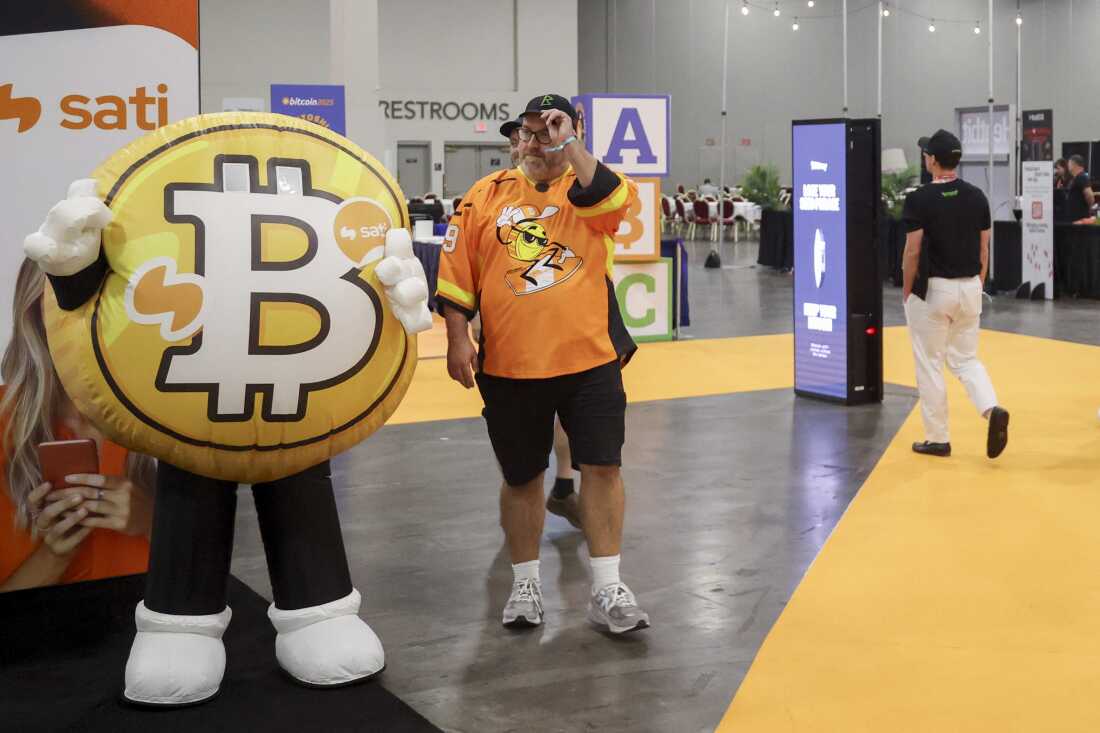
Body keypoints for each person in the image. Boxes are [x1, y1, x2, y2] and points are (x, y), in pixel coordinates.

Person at [437, 93, 649, 634]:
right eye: (525, 133)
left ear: (570, 134)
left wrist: (569, 143)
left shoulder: (588, 186)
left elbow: (613, 203)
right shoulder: (484, 195)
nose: (532, 143)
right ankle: (525, 583)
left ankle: (607, 586)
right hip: (511, 366)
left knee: (603, 467)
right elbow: (457, 273)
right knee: (522, 476)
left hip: (590, 362)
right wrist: (457, 337)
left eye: (545, 132)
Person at [0, 259, 156, 592]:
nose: (88, 323)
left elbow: (209, 575)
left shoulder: (168, 418)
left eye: (104, 303)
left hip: (149, 622)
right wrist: (54, 555)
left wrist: (153, 521)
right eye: (66, 305)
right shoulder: (4, 421)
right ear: (34, 315)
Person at [901, 129, 1009, 460]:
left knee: (929, 363)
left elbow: (912, 251)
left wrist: (907, 289)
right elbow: (984, 247)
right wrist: (978, 282)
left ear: (933, 161)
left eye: (926, 154)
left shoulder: (919, 199)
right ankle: (991, 408)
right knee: (965, 359)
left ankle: (938, 438)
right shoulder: (977, 196)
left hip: (935, 290)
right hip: (970, 287)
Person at [499, 116, 580, 528]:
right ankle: (529, 495)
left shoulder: (571, 185)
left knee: (569, 410)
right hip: (518, 328)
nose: (522, 144)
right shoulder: (495, 193)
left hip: (574, 319)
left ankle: (564, 485)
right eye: (518, 138)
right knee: (523, 426)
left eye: (529, 136)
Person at [1065, 154, 1095, 224]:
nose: (1068, 166)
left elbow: (1090, 195)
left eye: (1069, 163)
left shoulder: (1082, 177)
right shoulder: (1076, 178)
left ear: (1074, 164)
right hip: (1074, 217)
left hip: (1079, 218)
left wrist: (1088, 207)